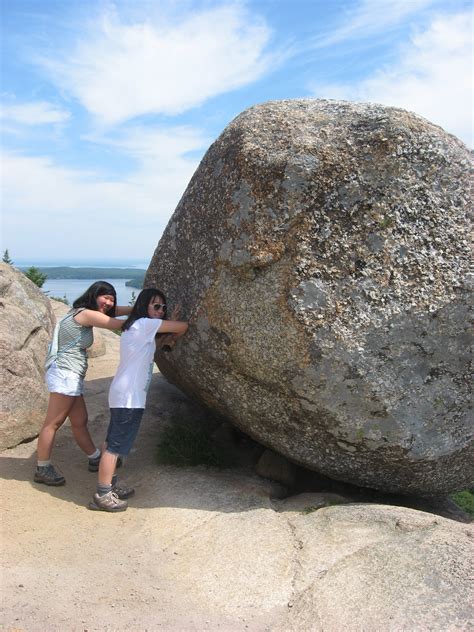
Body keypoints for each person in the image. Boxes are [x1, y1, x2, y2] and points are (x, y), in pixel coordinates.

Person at [89, 287, 188, 512]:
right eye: (156, 306)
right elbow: (184, 327)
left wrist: (167, 336)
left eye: (163, 307)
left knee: (111, 441)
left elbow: (156, 345)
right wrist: (172, 323)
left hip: (123, 394)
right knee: (116, 446)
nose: (160, 311)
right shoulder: (144, 324)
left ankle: (110, 485)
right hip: (129, 397)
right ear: (144, 306)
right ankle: (102, 494)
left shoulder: (136, 327)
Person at [34, 281, 132, 486]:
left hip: (70, 374)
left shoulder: (78, 311)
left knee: (80, 420)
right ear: (94, 295)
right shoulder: (86, 314)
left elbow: (114, 312)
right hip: (65, 374)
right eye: (105, 297)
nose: (108, 302)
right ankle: (42, 468)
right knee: (53, 423)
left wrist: (143, 307)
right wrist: (148, 317)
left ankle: (95, 458)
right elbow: (119, 324)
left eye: (112, 298)